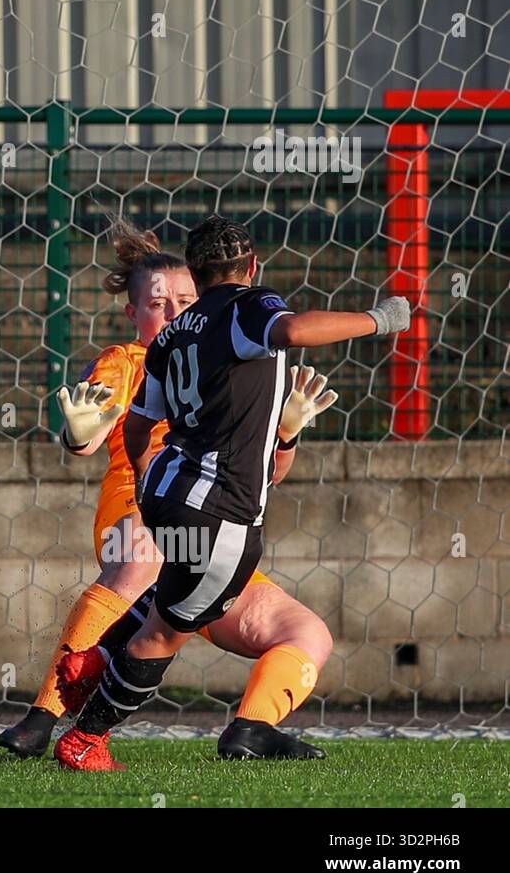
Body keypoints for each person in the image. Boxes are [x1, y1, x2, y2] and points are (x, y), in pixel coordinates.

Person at [54, 214, 409, 771]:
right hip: (220, 510)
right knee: (167, 634)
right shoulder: (246, 308)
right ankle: (85, 738)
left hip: (169, 495)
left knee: (173, 598)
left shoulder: (170, 338)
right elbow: (291, 331)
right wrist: (378, 319)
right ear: (252, 268)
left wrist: (152, 483)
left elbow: (138, 427)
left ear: (194, 276)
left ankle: (92, 663)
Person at [0, 219, 336, 761]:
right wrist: (79, 432)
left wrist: (286, 433)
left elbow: (267, 477)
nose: (173, 312)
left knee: (307, 633)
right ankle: (44, 718)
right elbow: (91, 431)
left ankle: (250, 730)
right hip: (144, 514)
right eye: (158, 303)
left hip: (212, 531)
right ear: (133, 312)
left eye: (185, 299)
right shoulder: (128, 360)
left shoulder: (233, 368)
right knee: (140, 556)